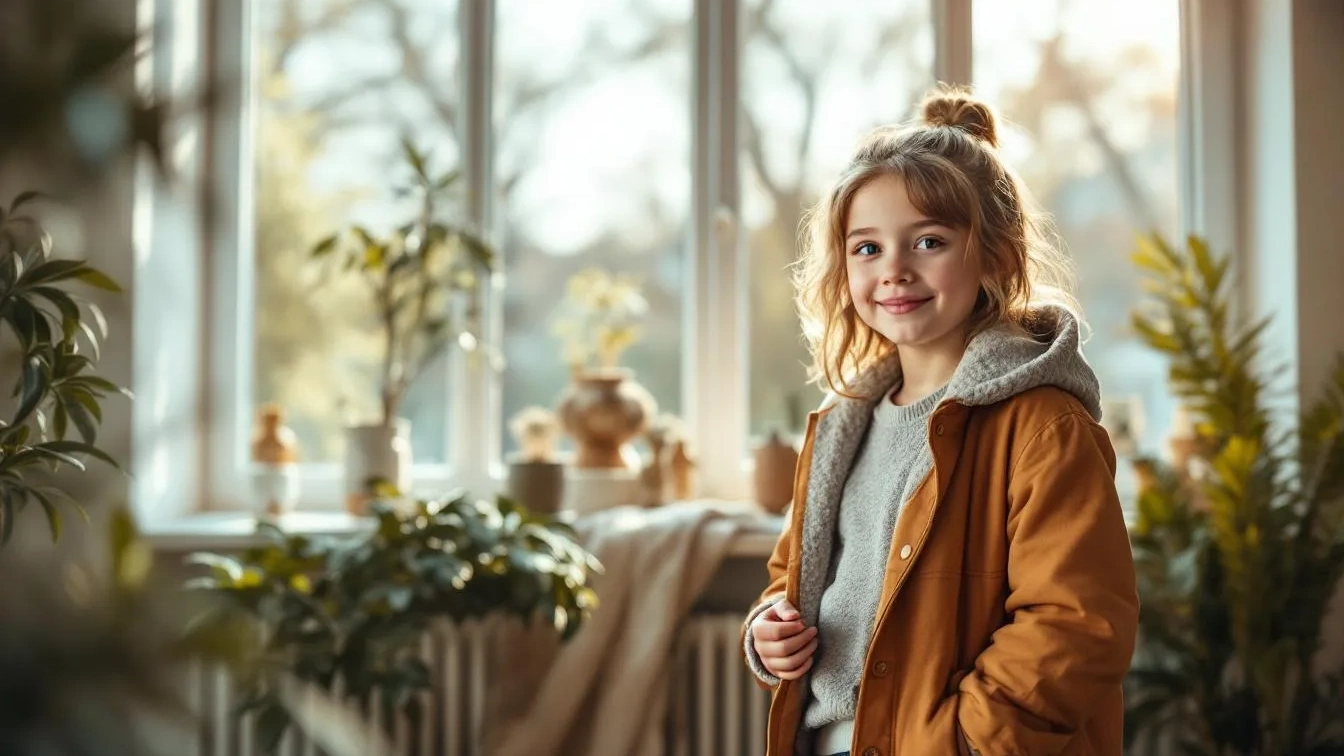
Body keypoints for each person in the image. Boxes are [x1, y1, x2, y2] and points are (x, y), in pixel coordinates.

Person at [741, 85, 1139, 756]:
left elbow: (1077, 623)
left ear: (995, 258)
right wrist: (767, 631)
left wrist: (961, 740)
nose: (894, 269)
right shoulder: (840, 427)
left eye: (928, 241)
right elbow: (792, 577)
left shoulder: (1043, 426)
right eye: (867, 248)